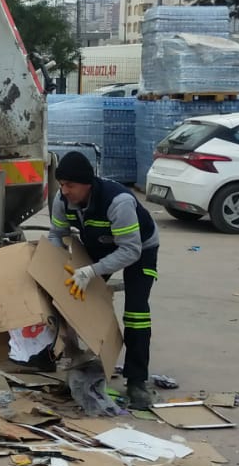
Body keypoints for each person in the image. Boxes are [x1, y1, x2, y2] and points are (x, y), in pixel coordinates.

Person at [47, 150, 160, 410]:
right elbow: (56, 234)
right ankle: (79, 358)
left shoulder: (118, 201)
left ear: (87, 183)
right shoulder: (62, 200)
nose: (64, 190)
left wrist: (91, 271)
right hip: (99, 246)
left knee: (136, 313)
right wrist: (56, 265)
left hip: (140, 249)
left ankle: (137, 381)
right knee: (71, 296)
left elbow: (130, 251)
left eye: (70, 185)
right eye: (61, 184)